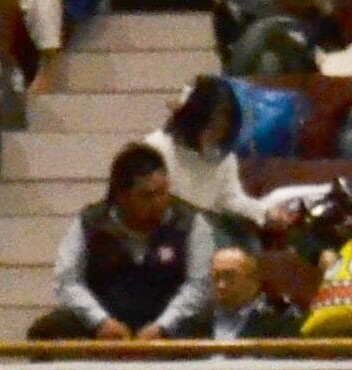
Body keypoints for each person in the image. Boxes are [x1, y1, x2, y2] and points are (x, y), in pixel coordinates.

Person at [30, 142, 214, 342]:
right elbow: (67, 281)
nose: (159, 202)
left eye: (163, 192)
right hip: (105, 320)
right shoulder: (91, 222)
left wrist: (163, 326)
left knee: (207, 325)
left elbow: (198, 285)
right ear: (122, 196)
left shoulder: (191, 222)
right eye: (147, 196)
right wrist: (100, 321)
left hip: (170, 322)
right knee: (46, 329)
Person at [144, 76, 272, 240]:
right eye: (211, 127)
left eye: (222, 128)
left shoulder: (224, 157)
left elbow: (230, 199)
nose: (216, 135)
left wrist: (265, 212)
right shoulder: (155, 149)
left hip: (204, 233)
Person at [180, 243, 301, 340]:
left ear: (254, 281)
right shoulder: (192, 325)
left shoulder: (279, 324)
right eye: (216, 277)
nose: (221, 285)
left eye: (229, 277)